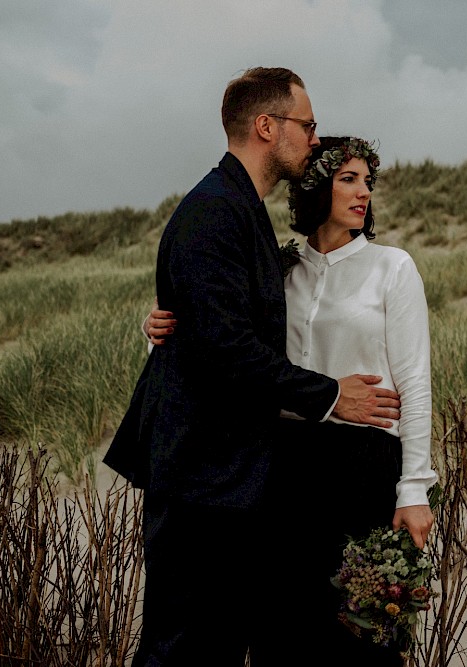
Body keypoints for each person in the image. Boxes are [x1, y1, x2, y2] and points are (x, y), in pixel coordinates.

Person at [103, 69, 404, 667]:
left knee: (214, 645)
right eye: (308, 125)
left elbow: (213, 327)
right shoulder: (213, 212)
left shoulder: (239, 209)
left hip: (231, 482)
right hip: (201, 482)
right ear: (268, 127)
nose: (315, 140)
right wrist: (330, 395)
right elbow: (226, 349)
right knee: (182, 650)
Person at [143, 135, 438, 665]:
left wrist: (414, 487)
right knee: (283, 628)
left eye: (368, 181)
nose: (363, 192)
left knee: (362, 629)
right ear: (316, 186)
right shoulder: (280, 270)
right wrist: (159, 329)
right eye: (348, 178)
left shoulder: (393, 268)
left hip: (364, 466)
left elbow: (416, 384)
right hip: (282, 466)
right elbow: (224, 339)